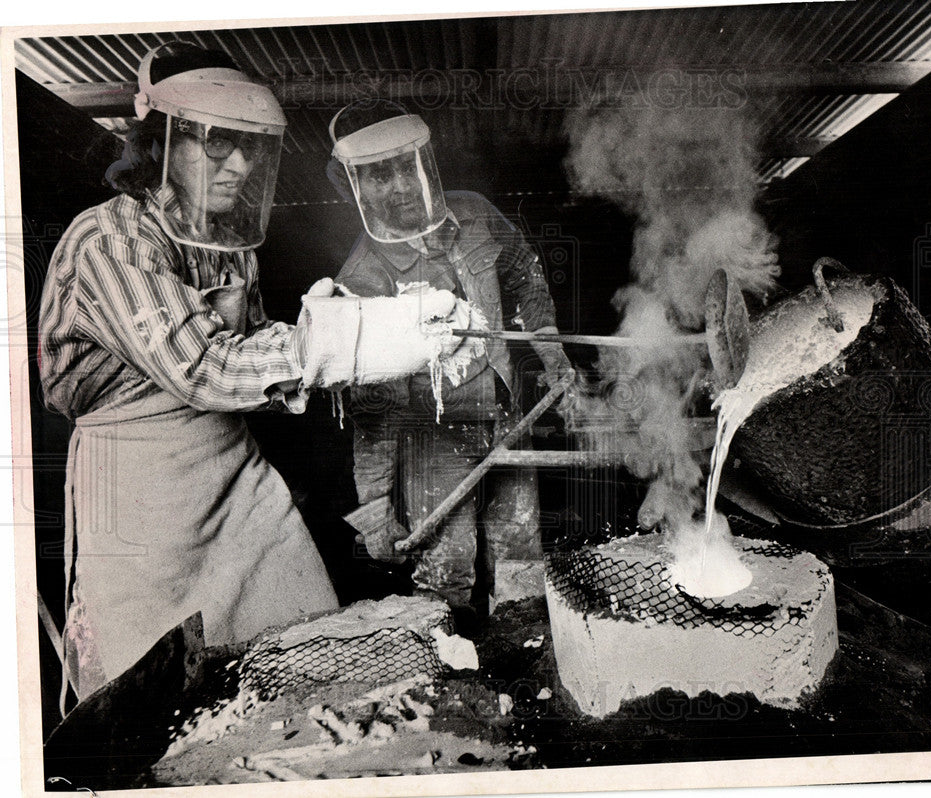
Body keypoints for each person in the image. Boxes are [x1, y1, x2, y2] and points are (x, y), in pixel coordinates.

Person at [38, 44, 458, 708]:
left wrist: (361, 327)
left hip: (233, 476)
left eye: (247, 148)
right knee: (164, 702)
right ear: (161, 145)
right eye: (217, 147)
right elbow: (205, 368)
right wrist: (342, 345)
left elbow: (252, 360)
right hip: (141, 497)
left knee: (307, 660)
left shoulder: (227, 245)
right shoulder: (110, 243)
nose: (238, 165)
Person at [328, 99, 573, 632]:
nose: (398, 186)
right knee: (446, 574)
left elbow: (526, 277)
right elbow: (369, 411)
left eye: (404, 166)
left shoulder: (476, 213)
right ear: (355, 189)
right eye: (377, 176)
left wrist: (554, 358)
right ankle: (456, 694)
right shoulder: (364, 277)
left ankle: (522, 662)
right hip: (431, 443)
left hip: (510, 419)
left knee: (521, 559)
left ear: (425, 161)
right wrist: (374, 508)